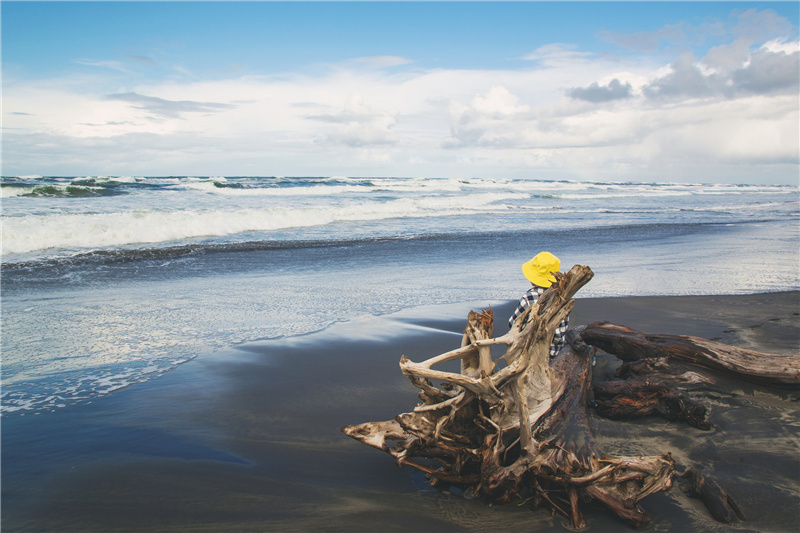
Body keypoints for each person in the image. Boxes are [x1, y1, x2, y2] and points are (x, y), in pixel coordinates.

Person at [508, 251, 569, 358]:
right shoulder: (563, 296)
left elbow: (513, 323)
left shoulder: (529, 297)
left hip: (532, 354)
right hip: (557, 351)